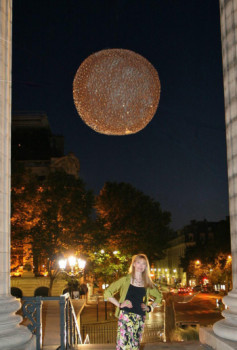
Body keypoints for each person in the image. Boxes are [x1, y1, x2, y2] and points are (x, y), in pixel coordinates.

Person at [104, 253, 163, 350]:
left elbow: (159, 296)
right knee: (123, 346)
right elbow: (107, 293)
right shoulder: (125, 280)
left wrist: (150, 307)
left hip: (139, 318)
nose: (141, 266)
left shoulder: (147, 282)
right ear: (134, 264)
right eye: (138, 262)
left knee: (135, 346)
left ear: (146, 266)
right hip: (126, 316)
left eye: (143, 264)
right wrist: (119, 304)